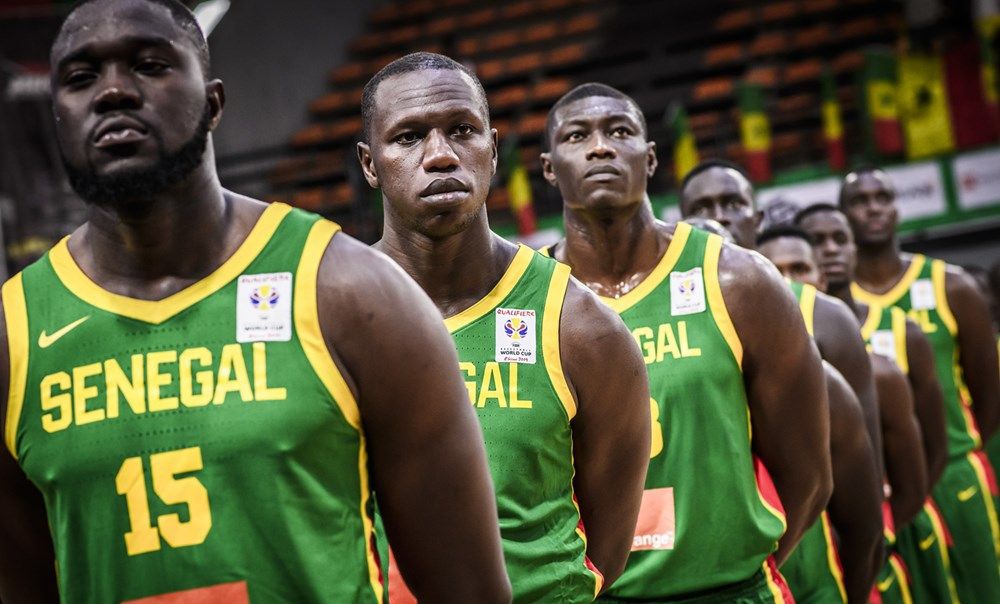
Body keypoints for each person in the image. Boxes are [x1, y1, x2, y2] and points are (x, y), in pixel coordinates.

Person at [0, 3, 513, 603]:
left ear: (214, 102)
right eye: (81, 78)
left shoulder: (352, 293)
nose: (114, 92)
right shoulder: (14, 335)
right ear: (56, 116)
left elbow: (470, 590)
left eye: (148, 65)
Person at [356, 55, 650, 602]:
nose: (440, 155)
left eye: (462, 130)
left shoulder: (581, 327)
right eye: (409, 137)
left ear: (492, 148)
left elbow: (603, 551)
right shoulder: (329, 314)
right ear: (370, 164)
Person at [540, 82, 831, 602]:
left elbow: (809, 477)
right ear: (548, 167)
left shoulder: (739, 280)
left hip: (732, 589)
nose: (601, 146)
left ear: (650, 159)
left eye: (619, 131)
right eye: (577, 135)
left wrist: (741, 570)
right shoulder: (531, 299)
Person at [841, 166, 1000, 603]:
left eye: (882, 197)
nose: (872, 207)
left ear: (897, 208)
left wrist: (950, 450)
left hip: (953, 475)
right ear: (844, 216)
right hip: (883, 492)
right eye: (859, 200)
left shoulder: (952, 286)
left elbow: (989, 396)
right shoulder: (833, 307)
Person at [795, 203, 962, 603]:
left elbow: (931, 451)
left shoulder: (886, 359)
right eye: (819, 242)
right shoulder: (761, 364)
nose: (831, 250)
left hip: (881, 531)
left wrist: (879, 530)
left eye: (839, 239)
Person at [679, 162, 884, 476]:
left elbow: (863, 452)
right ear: (683, 223)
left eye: (734, 204)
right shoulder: (660, 313)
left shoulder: (826, 315)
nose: (719, 216)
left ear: (758, 220)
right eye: (702, 207)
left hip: (815, 516)